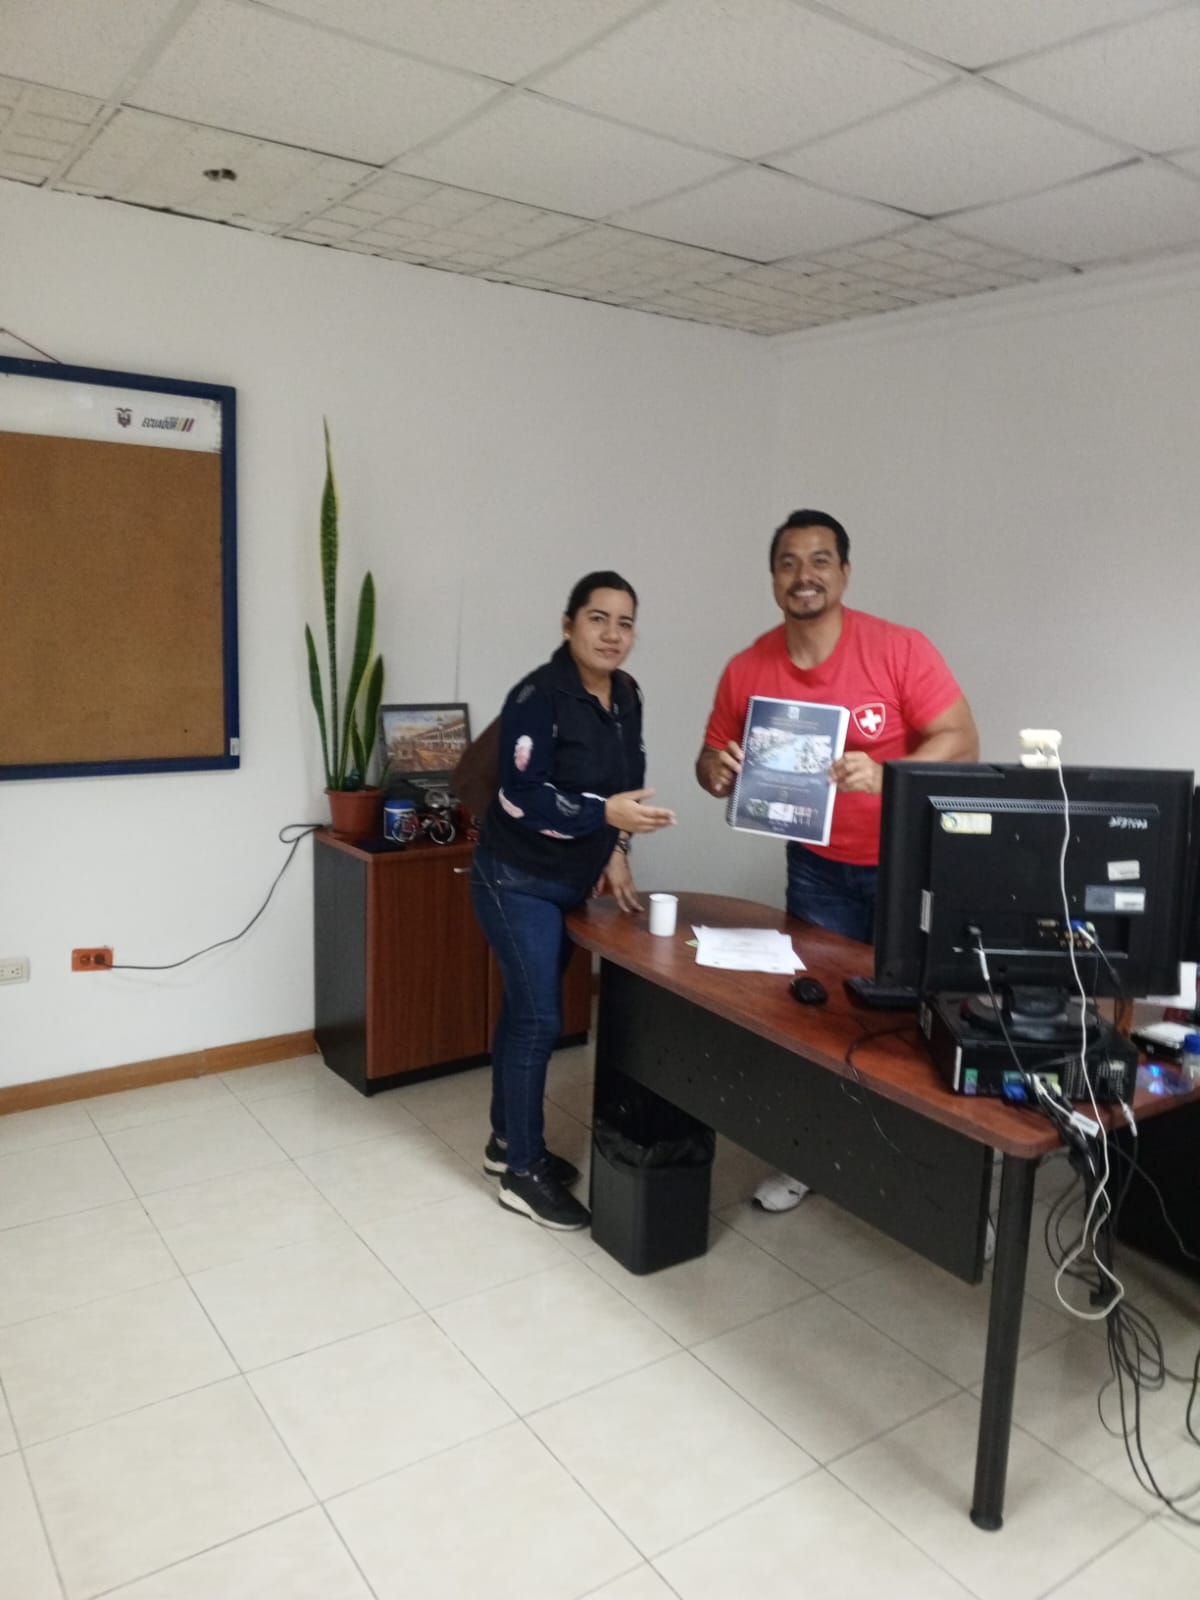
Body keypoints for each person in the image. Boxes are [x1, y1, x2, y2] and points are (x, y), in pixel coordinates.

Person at [697, 509, 978, 1212]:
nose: (805, 575)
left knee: (909, 1013)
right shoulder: (748, 667)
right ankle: (810, 1155)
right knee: (816, 1012)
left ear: (844, 573)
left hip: (904, 865)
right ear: (773, 578)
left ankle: (909, 1157)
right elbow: (708, 761)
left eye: (820, 560)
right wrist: (718, 771)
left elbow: (961, 739)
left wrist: (890, 775)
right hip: (816, 865)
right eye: (789, 562)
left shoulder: (898, 648)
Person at [471, 572, 675, 1230]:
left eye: (625, 622)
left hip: (571, 882)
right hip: (516, 879)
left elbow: (627, 782)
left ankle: (506, 1144)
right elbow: (519, 796)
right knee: (539, 1019)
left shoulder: (627, 695)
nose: (612, 634)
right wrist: (603, 815)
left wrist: (617, 847)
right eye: (597, 618)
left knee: (524, 1012)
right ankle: (523, 1175)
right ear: (568, 625)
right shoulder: (538, 696)